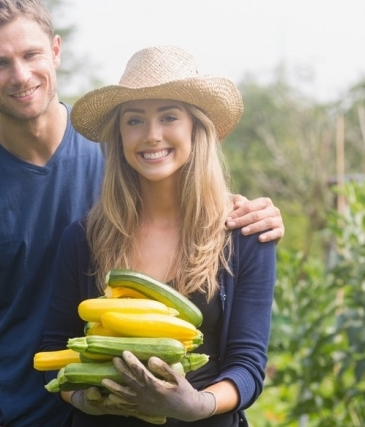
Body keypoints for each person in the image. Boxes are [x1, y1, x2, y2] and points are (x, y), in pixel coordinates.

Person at [0, 1, 283, 426]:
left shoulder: (127, 154)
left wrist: (248, 216)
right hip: (18, 414)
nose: (20, 74)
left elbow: (186, 190)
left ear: (55, 51)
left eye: (30, 54)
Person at [39, 45, 277, 427]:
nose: (152, 135)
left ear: (196, 128)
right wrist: (83, 398)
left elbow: (248, 366)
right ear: (119, 134)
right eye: (134, 120)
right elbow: (54, 353)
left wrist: (198, 404)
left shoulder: (244, 234)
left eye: (169, 117)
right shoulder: (84, 238)